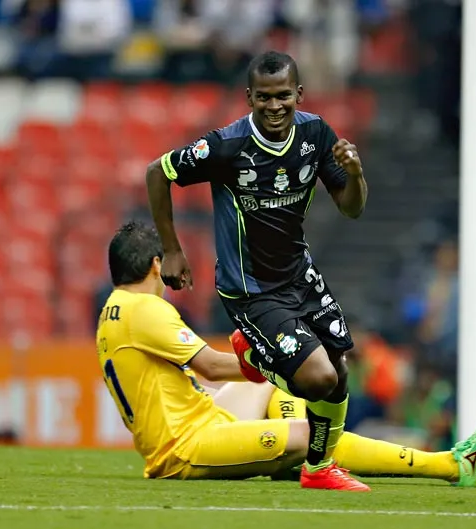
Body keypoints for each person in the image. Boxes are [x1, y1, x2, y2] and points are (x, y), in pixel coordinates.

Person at [96, 220, 476, 487]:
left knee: (281, 394)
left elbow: (189, 378)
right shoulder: (147, 309)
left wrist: (270, 368)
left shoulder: (112, 314)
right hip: (186, 445)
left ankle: (296, 458)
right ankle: (450, 464)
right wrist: (268, 360)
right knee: (313, 434)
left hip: (197, 421)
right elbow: (213, 367)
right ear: (155, 264)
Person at [146, 49, 376, 490]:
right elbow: (158, 172)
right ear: (249, 97)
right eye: (265, 97)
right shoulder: (227, 145)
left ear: (299, 95)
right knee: (318, 377)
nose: (275, 106)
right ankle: (253, 354)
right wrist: (171, 249)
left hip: (299, 275)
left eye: (283, 96)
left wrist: (356, 175)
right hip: (250, 289)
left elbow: (351, 209)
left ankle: (319, 468)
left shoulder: (316, 134)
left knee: (340, 369)